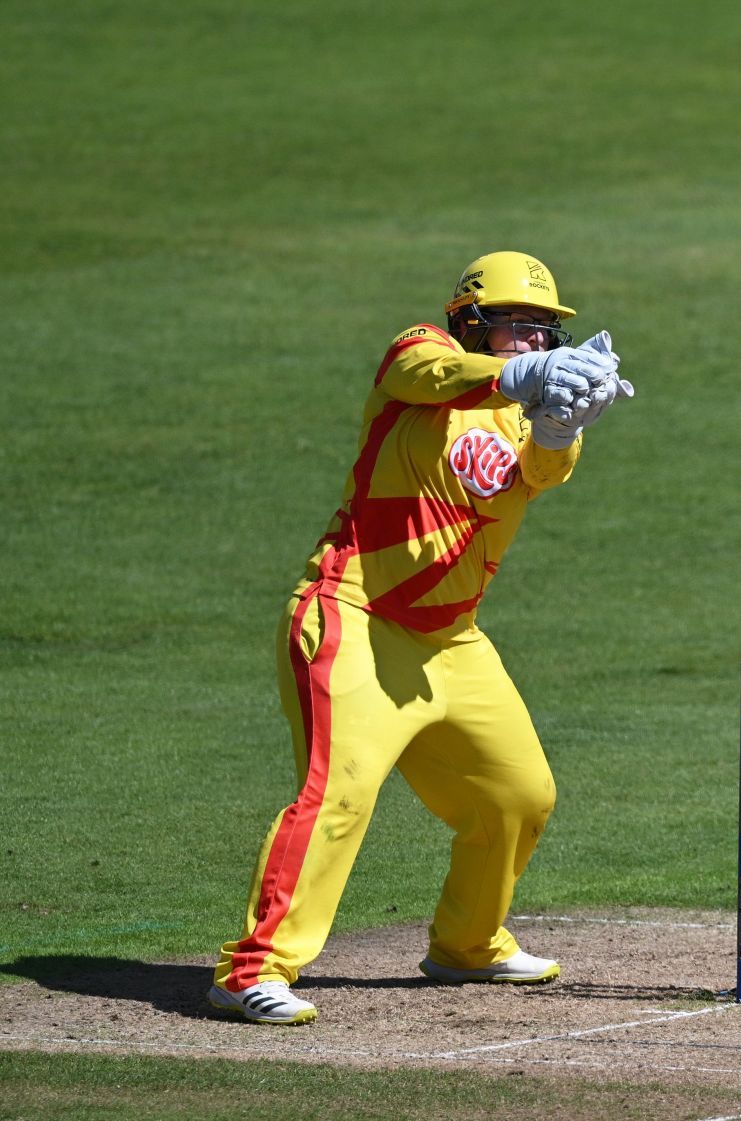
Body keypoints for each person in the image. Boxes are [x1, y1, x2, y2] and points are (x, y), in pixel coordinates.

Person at [207, 252, 634, 1024]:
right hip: (354, 613)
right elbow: (430, 376)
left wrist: (561, 420)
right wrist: (518, 378)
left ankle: (467, 946)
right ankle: (251, 970)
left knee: (518, 796)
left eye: (545, 330)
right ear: (470, 322)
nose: (535, 342)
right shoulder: (418, 355)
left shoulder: (525, 411)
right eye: (518, 327)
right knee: (338, 794)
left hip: (453, 640)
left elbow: (544, 469)